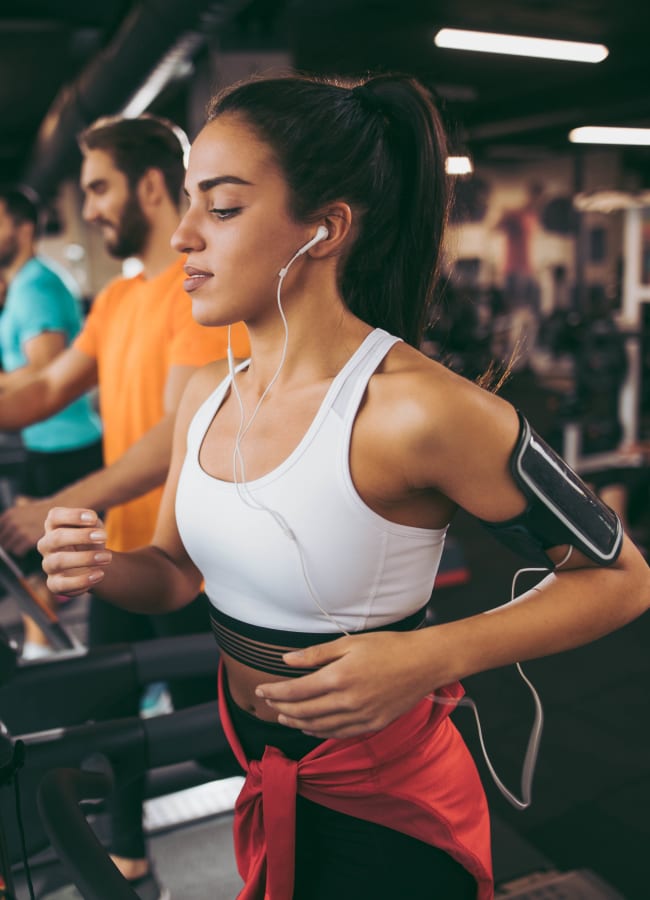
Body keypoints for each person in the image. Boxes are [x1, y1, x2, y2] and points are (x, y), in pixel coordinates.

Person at [39, 75, 649, 900]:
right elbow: (177, 576)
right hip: (257, 758)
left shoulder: (418, 410)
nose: (183, 235)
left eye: (220, 208)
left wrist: (427, 655)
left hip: (386, 797)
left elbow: (620, 579)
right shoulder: (204, 395)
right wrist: (104, 564)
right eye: (188, 203)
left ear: (324, 230)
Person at [0, 115, 248, 899]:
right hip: (124, 555)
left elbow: (180, 432)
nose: (92, 207)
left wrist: (61, 503)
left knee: (221, 741)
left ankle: (279, 851)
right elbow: (40, 390)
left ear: (150, 184)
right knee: (104, 724)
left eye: (100, 187)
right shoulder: (115, 299)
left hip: (191, 559)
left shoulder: (195, 290)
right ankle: (130, 861)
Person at [0, 186, 103, 658]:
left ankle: (48, 654)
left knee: (43, 562)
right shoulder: (23, 283)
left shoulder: (36, 284)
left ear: (22, 227)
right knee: (35, 559)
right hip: (45, 440)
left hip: (65, 443)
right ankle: (46, 650)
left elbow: (46, 368)